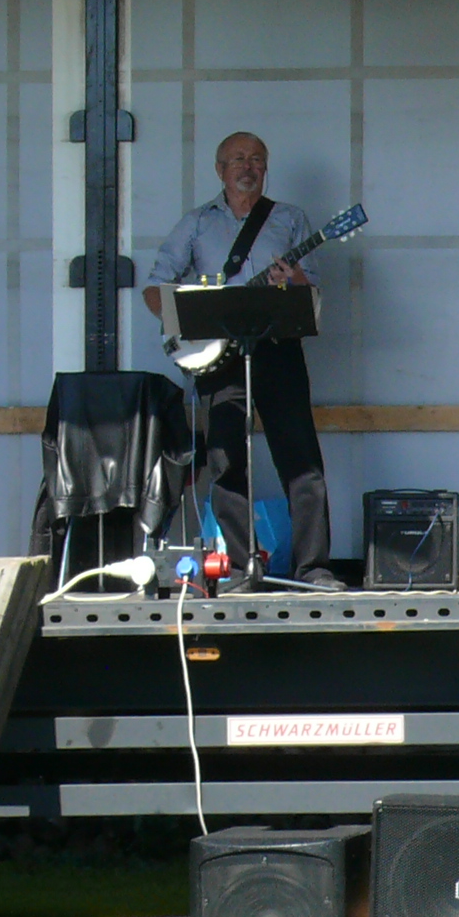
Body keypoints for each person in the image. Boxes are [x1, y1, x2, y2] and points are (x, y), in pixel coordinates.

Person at [144, 132, 335, 591]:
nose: (247, 167)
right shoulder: (196, 223)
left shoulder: (290, 219)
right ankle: (240, 568)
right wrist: (186, 331)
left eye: (256, 159)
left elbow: (312, 292)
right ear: (220, 170)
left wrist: (295, 277)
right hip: (219, 360)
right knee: (225, 460)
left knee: (301, 460)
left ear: (266, 168)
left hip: (278, 350)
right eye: (237, 159)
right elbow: (155, 286)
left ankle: (313, 568)